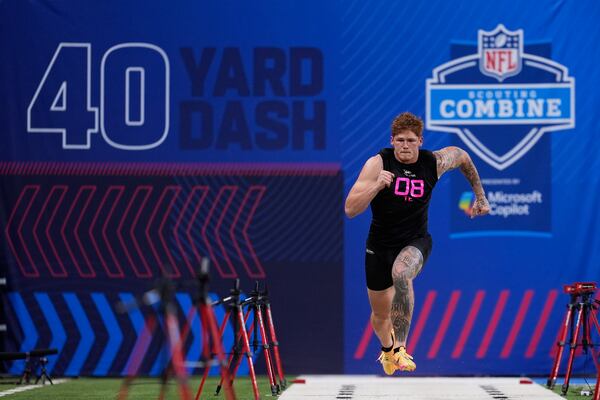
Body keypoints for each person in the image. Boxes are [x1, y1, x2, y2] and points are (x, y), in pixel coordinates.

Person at [344, 112, 490, 375]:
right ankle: (387, 350)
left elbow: (463, 156)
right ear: (392, 140)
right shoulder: (378, 164)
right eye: (399, 140)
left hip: (416, 240)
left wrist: (480, 197)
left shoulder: (433, 162)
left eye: (411, 140)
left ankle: (400, 348)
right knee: (379, 316)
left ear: (420, 141)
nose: (405, 146)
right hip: (379, 246)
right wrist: (376, 186)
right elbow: (350, 209)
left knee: (402, 273)